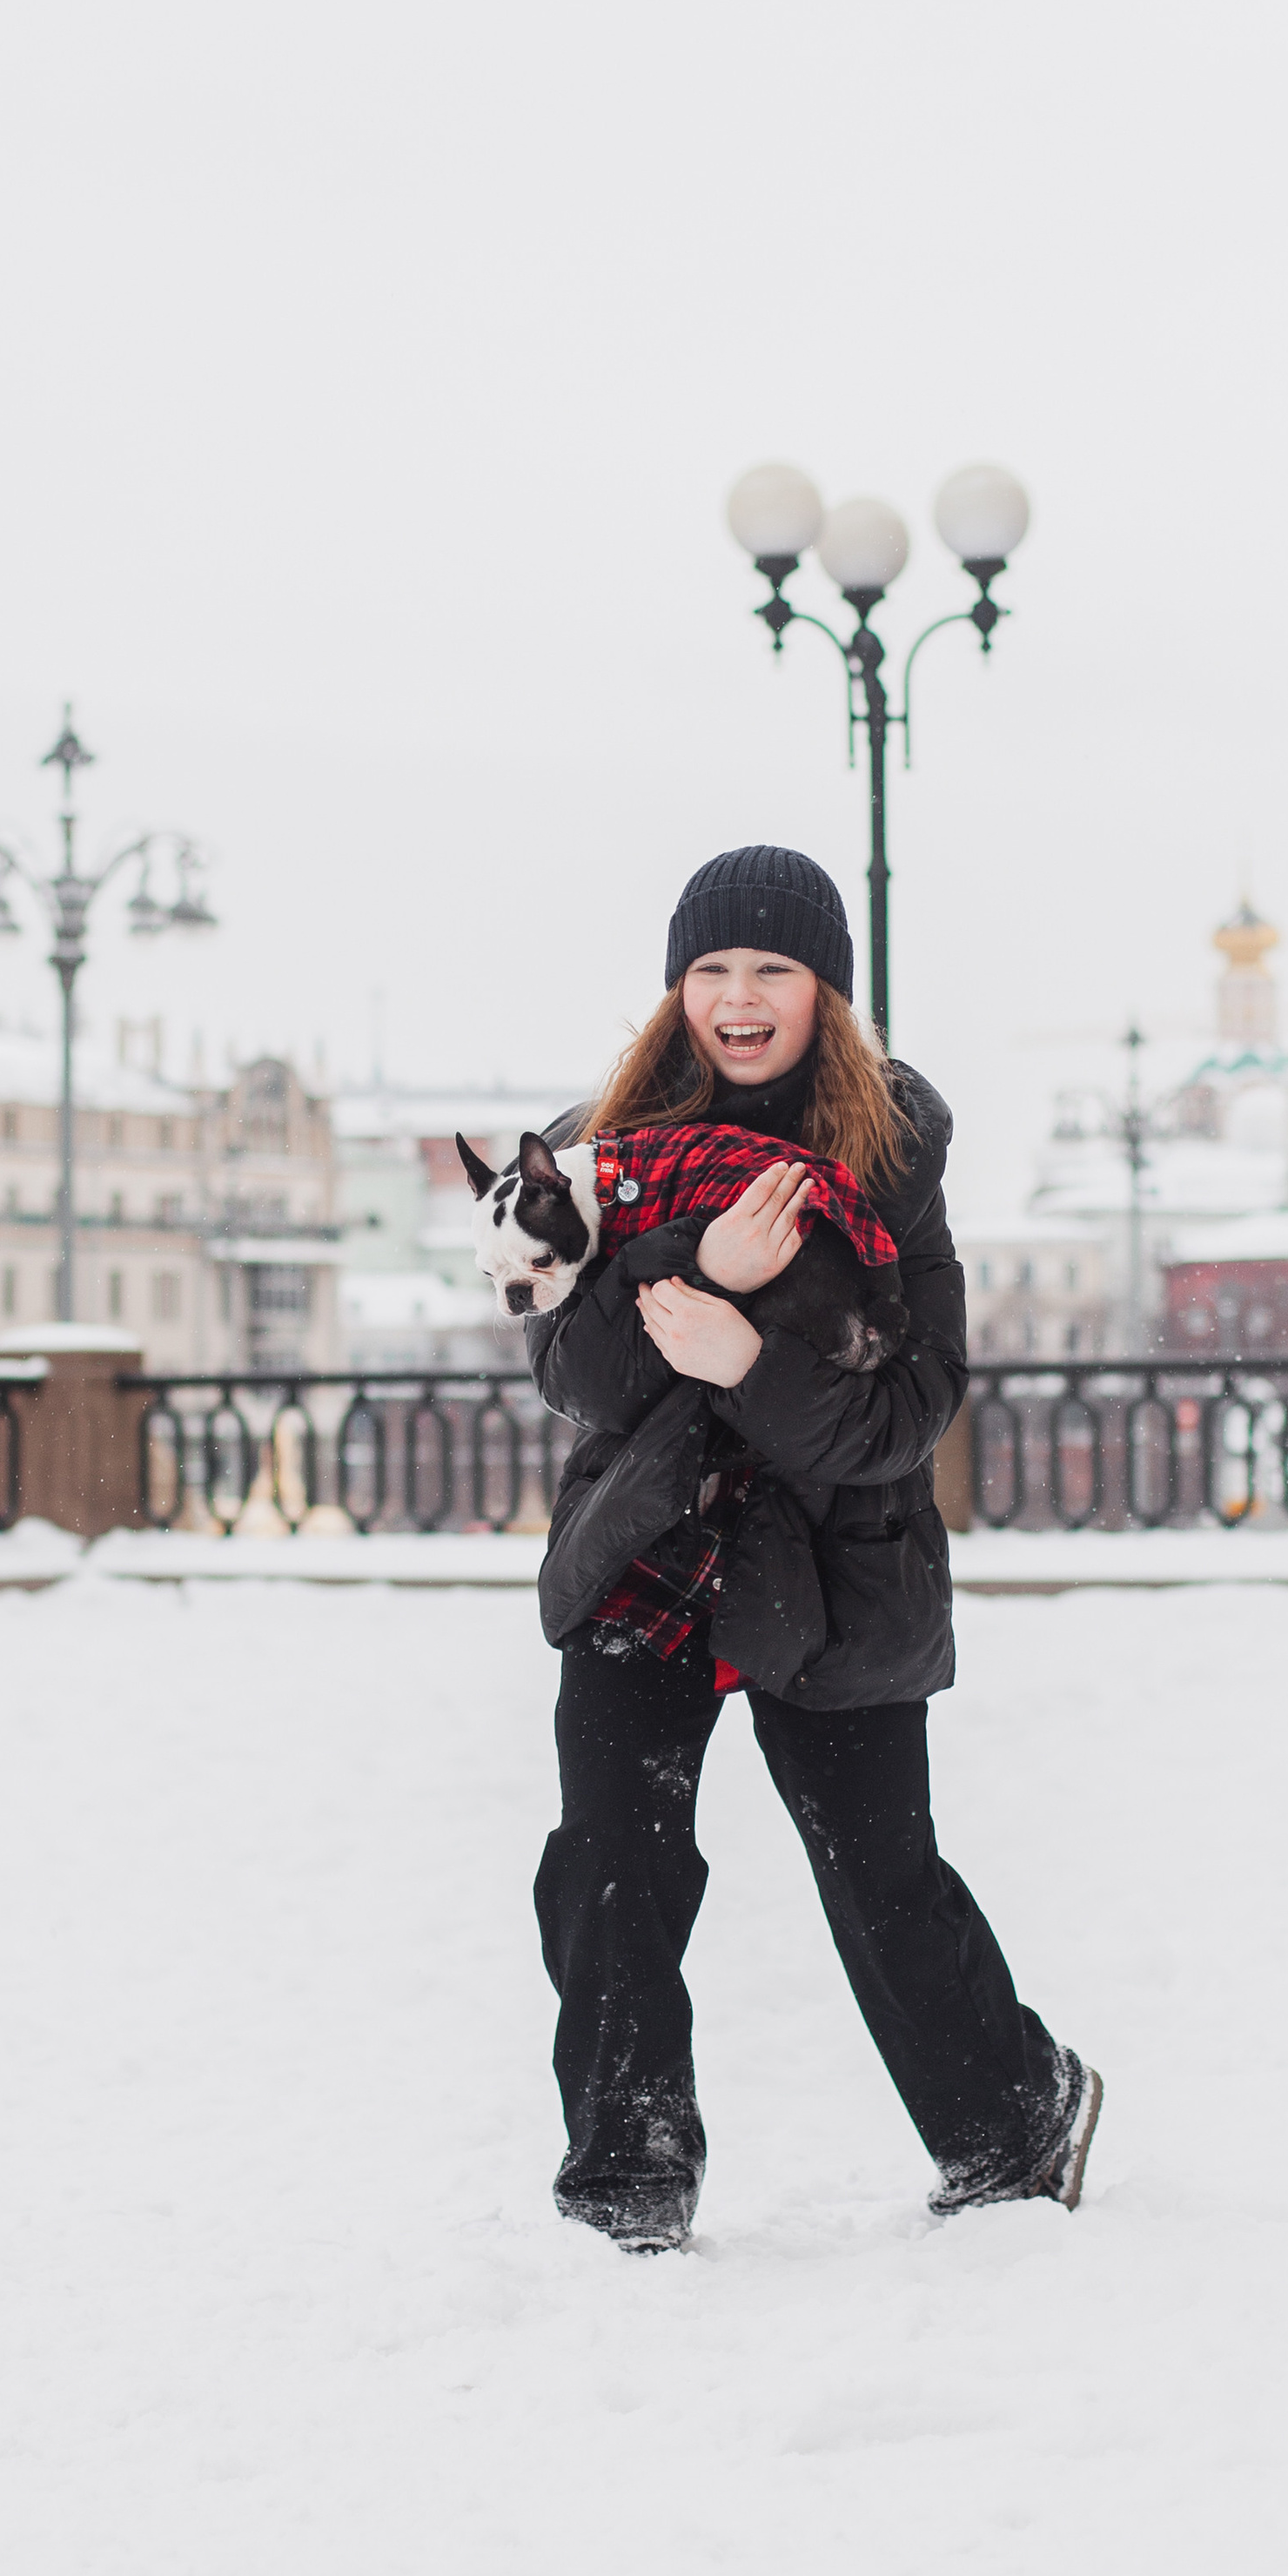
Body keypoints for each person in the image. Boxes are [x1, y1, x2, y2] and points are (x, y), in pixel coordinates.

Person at [525, 843, 1100, 2252]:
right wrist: (693, 1268)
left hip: (841, 1567)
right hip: (651, 1554)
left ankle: (1015, 2120)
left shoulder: (888, 1159)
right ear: (675, 990)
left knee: (879, 1875)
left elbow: (908, 1410)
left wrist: (746, 1358)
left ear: (825, 991)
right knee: (610, 1867)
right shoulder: (598, 1152)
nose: (739, 997)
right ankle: (628, 2171)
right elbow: (577, 1373)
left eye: (773, 968)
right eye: (712, 968)